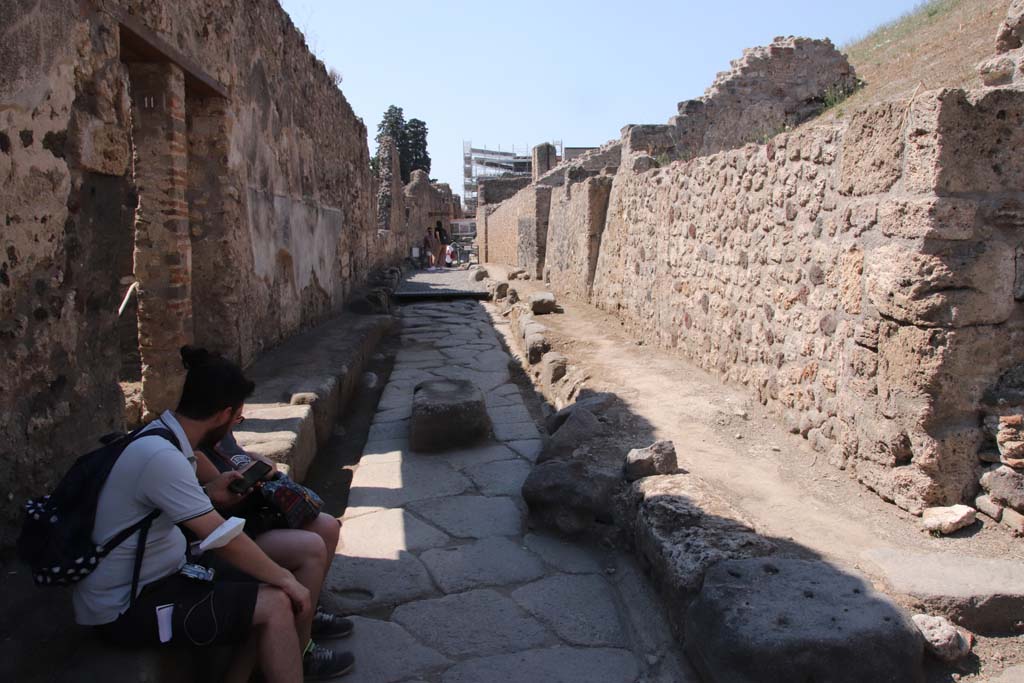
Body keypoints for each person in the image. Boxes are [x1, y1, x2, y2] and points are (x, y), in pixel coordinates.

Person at [72, 346, 353, 682]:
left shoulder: (164, 439)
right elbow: (220, 537)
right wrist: (288, 580)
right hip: (128, 604)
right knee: (276, 601)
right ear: (224, 414)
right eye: (238, 417)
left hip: (164, 573)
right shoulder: (161, 456)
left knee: (267, 597)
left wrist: (210, 493)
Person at [194, 431, 350, 642]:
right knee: (311, 547)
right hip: (235, 532)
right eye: (236, 416)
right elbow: (229, 496)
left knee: (328, 526)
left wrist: (259, 461)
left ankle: (307, 616)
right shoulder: (196, 447)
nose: (238, 420)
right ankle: (301, 646)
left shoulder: (221, 431)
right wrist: (254, 474)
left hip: (257, 518)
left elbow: (235, 455)